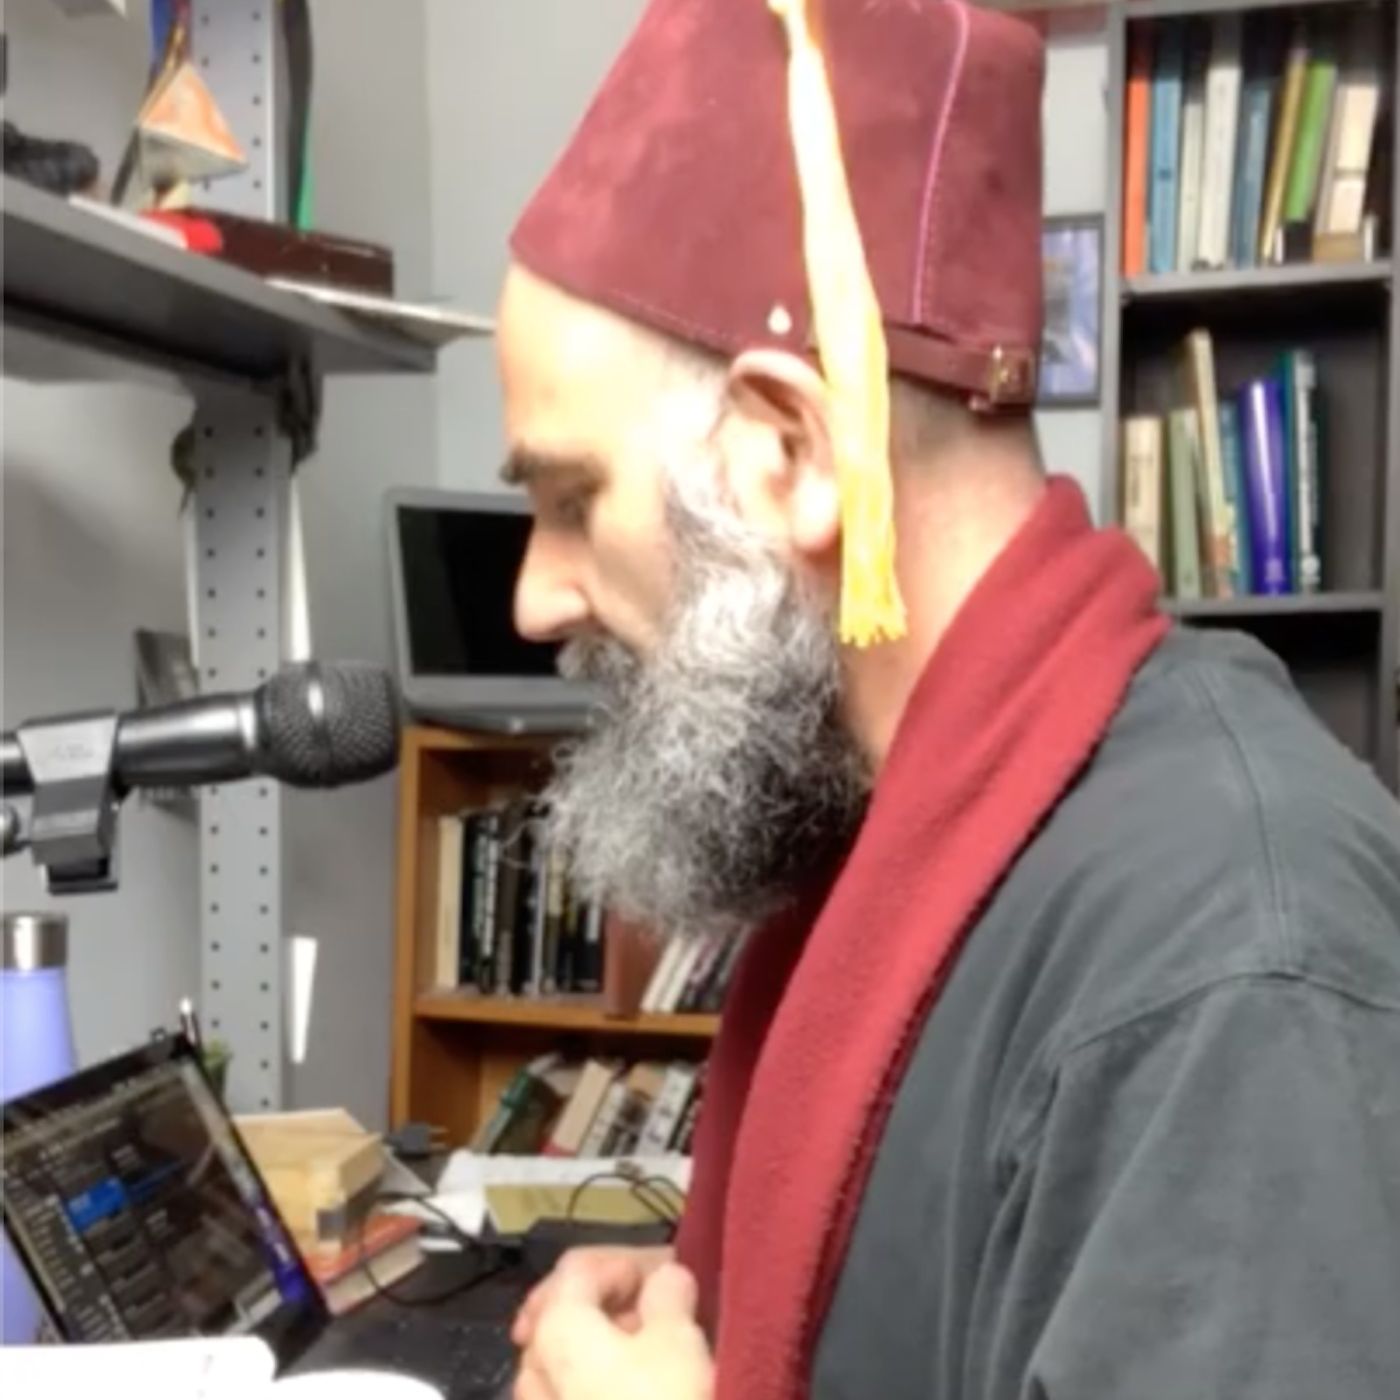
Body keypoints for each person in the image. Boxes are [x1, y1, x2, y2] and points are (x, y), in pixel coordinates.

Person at [497, 2, 1400, 1398]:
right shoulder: (875, 812)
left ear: (791, 452)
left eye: (571, 498)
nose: (536, 597)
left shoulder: (1230, 962)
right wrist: (700, 1322)